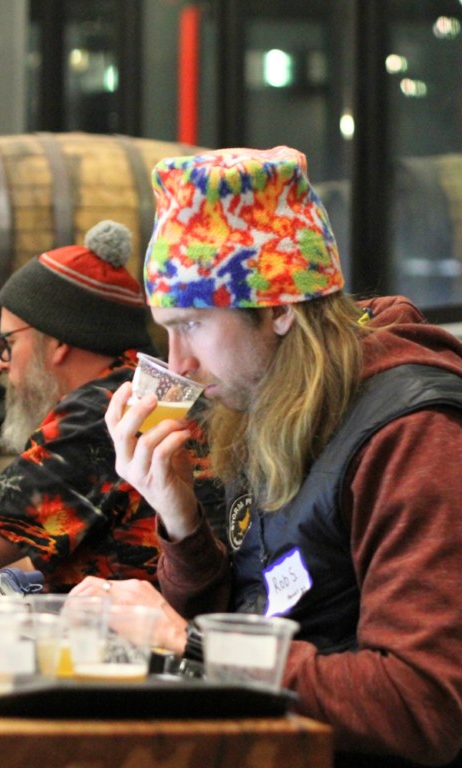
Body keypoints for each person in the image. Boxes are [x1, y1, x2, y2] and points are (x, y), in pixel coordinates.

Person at [73, 148, 462, 765]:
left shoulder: (414, 434)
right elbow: (257, 610)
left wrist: (190, 643)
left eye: (194, 323)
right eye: (165, 329)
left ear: (279, 308)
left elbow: (422, 706)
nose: (177, 365)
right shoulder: (271, 401)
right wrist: (180, 523)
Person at [0, 220, 224, 593]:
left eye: (8, 344)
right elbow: (31, 549)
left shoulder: (105, 410)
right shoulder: (139, 390)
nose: (1, 363)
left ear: (57, 342)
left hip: (135, 641)